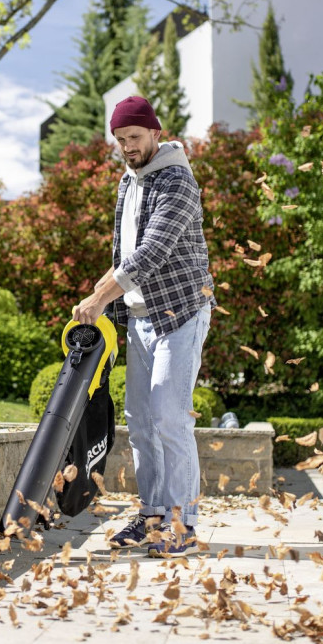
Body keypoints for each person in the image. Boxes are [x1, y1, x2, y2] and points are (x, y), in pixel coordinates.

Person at [72, 95, 215, 557]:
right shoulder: (127, 182)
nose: (127, 146)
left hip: (180, 312)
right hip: (140, 317)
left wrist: (99, 297)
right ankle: (152, 516)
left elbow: (151, 252)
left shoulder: (177, 180)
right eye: (119, 139)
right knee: (140, 421)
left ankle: (182, 524)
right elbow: (124, 254)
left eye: (134, 136)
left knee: (170, 416)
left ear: (155, 132)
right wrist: (104, 296)